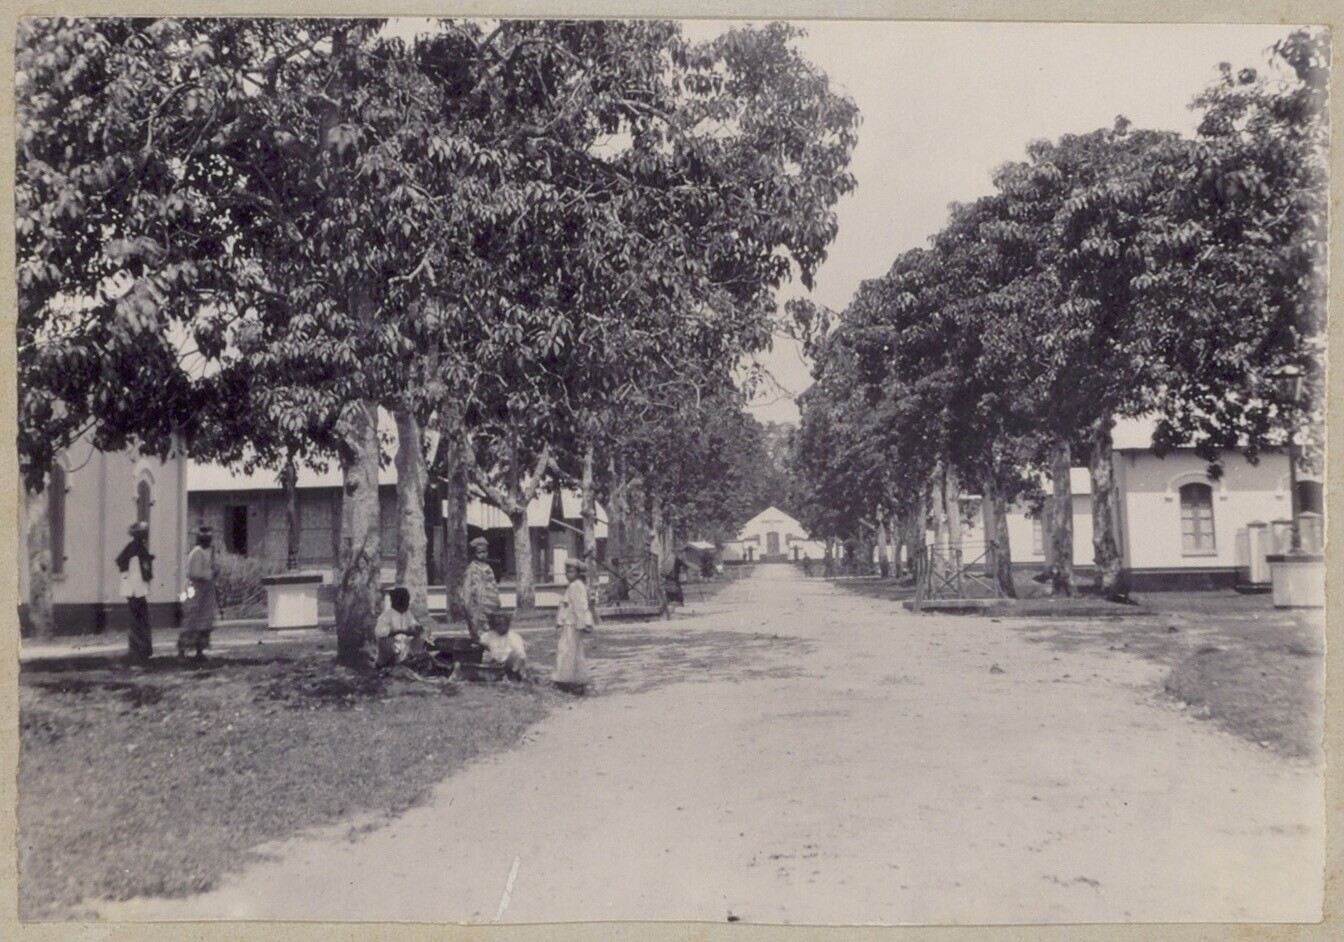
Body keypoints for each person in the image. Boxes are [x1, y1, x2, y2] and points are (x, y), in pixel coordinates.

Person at [553, 558, 595, 694]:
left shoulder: (576, 586)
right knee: (569, 650)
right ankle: (572, 678)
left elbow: (580, 607)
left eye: (571, 572)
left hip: (573, 624)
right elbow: (566, 606)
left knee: (568, 650)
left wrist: (582, 623)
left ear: (578, 573)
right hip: (569, 623)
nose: (568, 574)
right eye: (567, 572)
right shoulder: (572, 586)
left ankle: (567, 679)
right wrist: (560, 620)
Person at [115, 521, 155, 663]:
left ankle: (139, 649)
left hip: (135, 590)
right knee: (139, 620)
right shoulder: (137, 548)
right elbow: (140, 571)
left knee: (138, 620)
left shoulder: (134, 548)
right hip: (136, 590)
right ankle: (138, 650)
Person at [178, 527, 217, 659]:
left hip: (206, 591)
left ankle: (199, 651)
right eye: (206, 538)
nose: (209, 540)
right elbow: (194, 573)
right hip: (195, 590)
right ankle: (182, 651)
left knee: (204, 621)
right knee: (192, 620)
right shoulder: (197, 552)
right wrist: (210, 574)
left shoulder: (207, 552)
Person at [374, 586, 425, 669]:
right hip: (389, 654)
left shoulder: (407, 613)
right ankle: (390, 664)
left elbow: (413, 624)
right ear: (396, 601)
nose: (407, 603)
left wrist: (417, 628)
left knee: (425, 633)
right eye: (404, 600)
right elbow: (379, 632)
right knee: (386, 640)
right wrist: (400, 631)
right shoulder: (386, 615)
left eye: (407, 600)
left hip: (404, 650)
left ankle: (412, 659)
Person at [461, 536, 500, 641]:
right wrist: (468, 605)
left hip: (491, 605)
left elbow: (494, 585)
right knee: (478, 633)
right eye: (480, 552)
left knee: (491, 632)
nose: (483, 554)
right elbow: (467, 589)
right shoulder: (472, 569)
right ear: (474, 553)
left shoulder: (488, 567)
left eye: (485, 552)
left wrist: (497, 601)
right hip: (477, 606)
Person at [480, 611, 527, 680]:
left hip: (509, 665)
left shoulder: (514, 637)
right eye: (497, 624)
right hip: (494, 665)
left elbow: (520, 656)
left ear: (507, 624)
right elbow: (480, 643)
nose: (500, 627)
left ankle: (512, 676)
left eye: (503, 624)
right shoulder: (488, 636)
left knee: (515, 656)